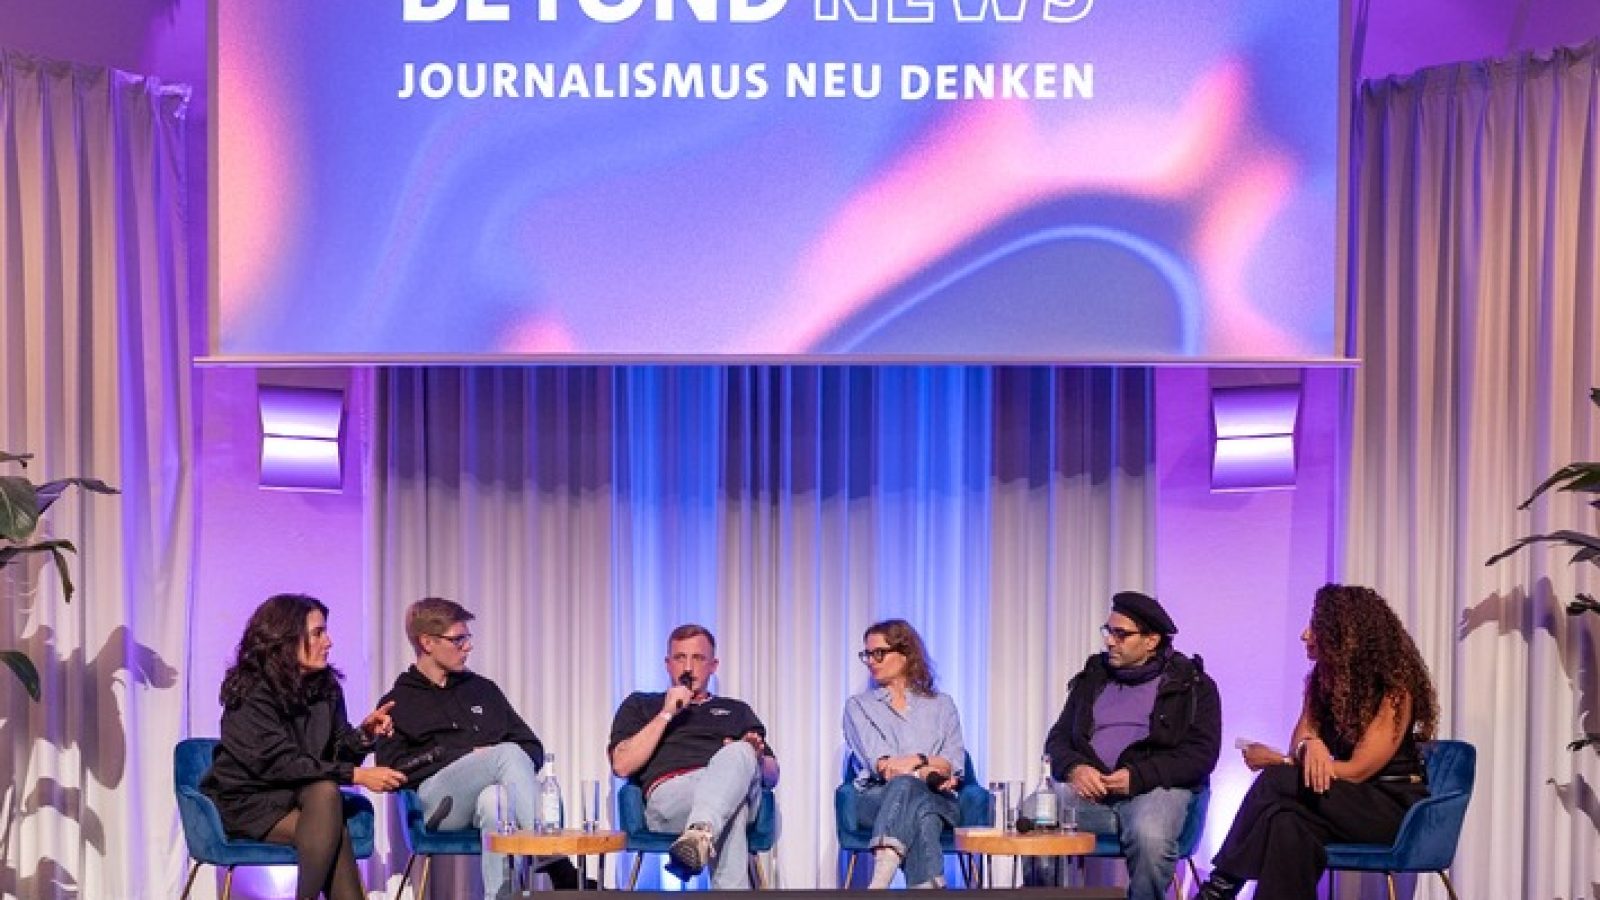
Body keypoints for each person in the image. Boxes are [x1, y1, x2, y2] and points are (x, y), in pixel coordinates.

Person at [1196, 584, 1439, 900]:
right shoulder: (1323, 680)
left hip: (1389, 808)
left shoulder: (1393, 692)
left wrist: (1284, 762)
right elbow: (1301, 736)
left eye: (1315, 627)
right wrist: (1310, 745)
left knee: (1275, 780)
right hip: (1340, 801)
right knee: (1287, 824)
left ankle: (1219, 888)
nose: (1304, 634)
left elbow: (1356, 772)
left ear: (1344, 635)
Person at [375, 597, 586, 896]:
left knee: (496, 799)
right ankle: (558, 866)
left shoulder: (482, 689)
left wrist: (494, 764)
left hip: (485, 801)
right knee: (506, 753)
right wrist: (465, 756)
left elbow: (532, 746)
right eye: (458, 639)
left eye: (467, 638)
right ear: (427, 642)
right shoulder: (399, 700)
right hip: (436, 804)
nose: (468, 647)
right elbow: (392, 769)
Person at [201, 593, 405, 900]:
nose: (329, 641)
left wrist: (364, 735)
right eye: (318, 633)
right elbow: (278, 764)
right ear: (285, 640)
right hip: (252, 800)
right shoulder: (252, 692)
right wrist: (356, 776)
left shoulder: (326, 687)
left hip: (305, 797)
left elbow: (334, 751)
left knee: (325, 797)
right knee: (330, 817)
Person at [1042, 591, 1222, 900]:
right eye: (1109, 631)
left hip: (1156, 791)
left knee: (1149, 835)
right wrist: (1074, 768)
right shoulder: (1093, 678)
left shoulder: (1192, 684)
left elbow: (1201, 755)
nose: (1110, 641)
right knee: (1036, 816)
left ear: (1151, 641)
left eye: (1121, 634)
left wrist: (1139, 777)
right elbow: (1057, 738)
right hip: (1091, 794)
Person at [608, 624, 780, 888]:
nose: (688, 667)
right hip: (671, 799)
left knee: (737, 753)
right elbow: (621, 765)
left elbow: (773, 775)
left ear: (713, 665)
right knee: (734, 808)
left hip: (734, 783)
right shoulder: (642, 704)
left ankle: (698, 834)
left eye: (698, 658)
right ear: (668, 664)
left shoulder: (736, 710)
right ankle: (702, 833)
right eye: (680, 658)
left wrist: (754, 756)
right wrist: (667, 713)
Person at [842, 619, 967, 889]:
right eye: (867, 654)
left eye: (879, 653)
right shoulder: (858, 707)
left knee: (923, 810)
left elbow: (954, 763)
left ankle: (881, 878)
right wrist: (926, 768)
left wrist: (917, 761)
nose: (871, 661)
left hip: (940, 798)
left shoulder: (942, 705)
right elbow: (884, 767)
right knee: (909, 793)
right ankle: (929, 887)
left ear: (905, 654)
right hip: (876, 800)